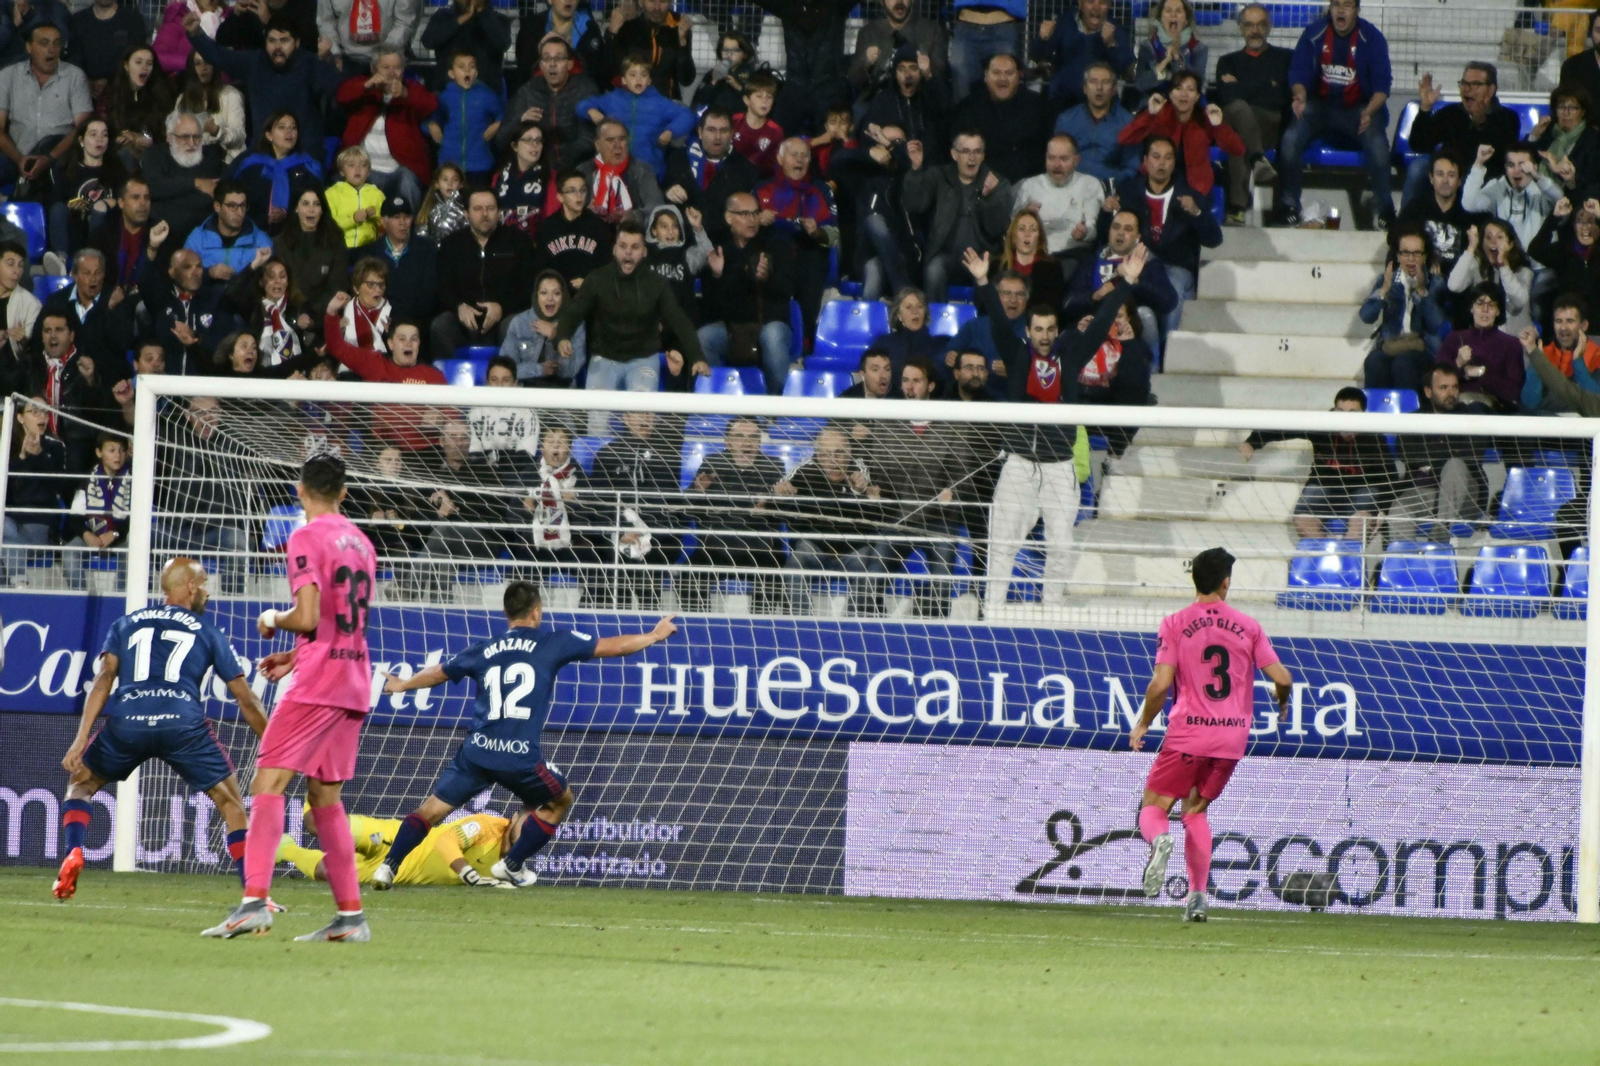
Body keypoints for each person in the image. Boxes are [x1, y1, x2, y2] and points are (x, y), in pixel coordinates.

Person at [373, 583, 678, 888]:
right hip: (519, 756)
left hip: (477, 752)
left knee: (430, 812)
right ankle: (511, 863)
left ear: (506, 613)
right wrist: (654, 635)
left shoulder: (482, 648)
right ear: (536, 611)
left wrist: (403, 685)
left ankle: (388, 867)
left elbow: (439, 672)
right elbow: (616, 646)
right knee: (559, 800)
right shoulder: (553, 642)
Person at [203, 455, 378, 942]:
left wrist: (272, 619)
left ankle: (254, 902)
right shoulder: (362, 542)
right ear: (343, 493)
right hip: (353, 678)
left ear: (301, 491)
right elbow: (341, 621)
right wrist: (294, 655)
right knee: (326, 798)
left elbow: (306, 615)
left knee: (268, 783)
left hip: (319, 683)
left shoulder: (305, 536)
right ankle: (351, 918)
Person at [53, 557, 269, 901]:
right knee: (232, 805)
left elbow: (104, 679)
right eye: (204, 583)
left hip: (128, 723)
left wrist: (80, 739)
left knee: (81, 785)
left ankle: (73, 852)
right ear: (190, 587)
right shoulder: (207, 630)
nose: (208, 592)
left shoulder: (126, 623)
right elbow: (245, 699)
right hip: (183, 726)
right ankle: (253, 895)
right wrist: (274, 745)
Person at [1129, 547, 1294, 924]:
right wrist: (1281, 702)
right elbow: (1282, 678)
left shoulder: (1174, 623)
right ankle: (1198, 897)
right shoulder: (1249, 626)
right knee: (1196, 811)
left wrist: (1143, 723)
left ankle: (1159, 841)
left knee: (1154, 808)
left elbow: (1161, 683)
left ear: (1195, 579)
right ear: (1226, 582)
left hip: (1189, 733)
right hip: (1231, 739)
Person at [987, 253, 1141, 610]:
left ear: (1058, 330)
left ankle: (1051, 611)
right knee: (1002, 543)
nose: (1044, 336)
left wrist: (1126, 282)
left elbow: (1103, 323)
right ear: (1027, 332)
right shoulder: (1016, 356)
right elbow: (996, 321)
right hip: (1019, 464)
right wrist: (983, 283)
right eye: (1037, 329)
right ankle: (992, 613)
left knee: (1060, 545)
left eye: (1050, 329)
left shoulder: (1070, 357)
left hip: (1060, 466)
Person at [554, 218, 705, 394]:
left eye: (635, 247)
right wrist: (563, 336)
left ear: (644, 252)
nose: (628, 252)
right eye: (623, 246)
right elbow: (573, 312)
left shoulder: (656, 283)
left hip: (644, 359)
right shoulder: (597, 279)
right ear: (614, 249)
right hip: (604, 358)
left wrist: (697, 357)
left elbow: (679, 320)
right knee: (596, 420)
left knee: (641, 420)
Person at [1278, 0, 1393, 229]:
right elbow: (1298, 74)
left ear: (1357, 11)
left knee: (1379, 146)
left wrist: (1369, 112)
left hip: (1359, 108)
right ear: (1330, 8)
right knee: (1290, 139)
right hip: (1319, 106)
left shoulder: (1372, 38)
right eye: (1336, 4)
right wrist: (1299, 96)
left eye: (1348, 5)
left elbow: (1382, 88)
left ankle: (1385, 209)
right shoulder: (1314, 33)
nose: (1341, 10)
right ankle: (1289, 203)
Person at [1102, 136, 1220, 338]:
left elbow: (1214, 239)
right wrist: (1106, 212)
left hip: (1177, 267)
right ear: (1146, 161)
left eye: (1168, 158)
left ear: (1174, 162)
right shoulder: (1128, 191)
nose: (1162, 163)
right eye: (1156, 157)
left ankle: (1169, 350)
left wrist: (1196, 213)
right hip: (1140, 263)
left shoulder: (1189, 196)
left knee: (1172, 287)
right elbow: (1110, 233)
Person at [1242, 387, 1393, 543]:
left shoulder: (1373, 435)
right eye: (1340, 412)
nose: (1344, 419)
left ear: (1363, 414)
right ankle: (1323, 557)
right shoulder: (1322, 425)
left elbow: (1390, 474)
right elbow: (1285, 427)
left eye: (1352, 413)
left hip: (1362, 488)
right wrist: (1252, 442)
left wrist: (1383, 509)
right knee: (1302, 521)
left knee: (1360, 524)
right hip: (1323, 485)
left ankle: (1346, 561)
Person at [773, 424, 893, 614]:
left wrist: (864, 494)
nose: (833, 461)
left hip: (853, 549)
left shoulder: (864, 471)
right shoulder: (804, 471)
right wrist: (780, 493)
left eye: (839, 453)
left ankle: (855, 626)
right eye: (825, 454)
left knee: (867, 567)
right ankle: (802, 624)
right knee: (794, 565)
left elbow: (885, 510)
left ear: (849, 452)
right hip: (815, 547)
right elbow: (780, 492)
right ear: (817, 455)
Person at [187, 10, 343, 148]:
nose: (277, 47)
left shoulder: (310, 63)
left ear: (297, 43)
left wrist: (326, 60)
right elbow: (219, 55)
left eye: (284, 40)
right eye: (272, 40)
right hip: (264, 153)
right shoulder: (255, 62)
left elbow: (331, 87)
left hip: (304, 154)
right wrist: (196, 33)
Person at [277, 806, 523, 886]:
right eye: (526, 822)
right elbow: (446, 842)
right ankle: (314, 774)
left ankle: (285, 847)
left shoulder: (514, 866)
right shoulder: (488, 826)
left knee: (328, 873)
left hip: (403, 874)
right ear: (514, 818)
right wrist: (468, 874)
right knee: (321, 827)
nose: (528, 831)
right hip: (396, 839)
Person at [696, 191, 793, 393]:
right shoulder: (717, 248)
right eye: (745, 214)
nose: (752, 220)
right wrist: (716, 275)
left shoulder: (774, 244)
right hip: (731, 328)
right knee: (704, 337)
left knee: (773, 336)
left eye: (755, 213)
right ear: (728, 217)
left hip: (767, 323)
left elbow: (787, 292)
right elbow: (711, 306)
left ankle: (778, 411)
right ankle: (718, 404)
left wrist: (767, 279)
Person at [324, 289, 446, 448]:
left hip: (424, 454)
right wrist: (332, 312)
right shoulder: (374, 363)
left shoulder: (434, 376)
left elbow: (454, 416)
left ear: (419, 344)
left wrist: (441, 417)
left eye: (414, 339)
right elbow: (336, 347)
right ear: (390, 344)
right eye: (402, 339)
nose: (408, 344)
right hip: (381, 450)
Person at [903, 129, 1013, 301]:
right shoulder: (938, 177)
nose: (972, 157)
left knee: (991, 278)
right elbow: (915, 206)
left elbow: (996, 230)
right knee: (934, 270)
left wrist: (989, 198)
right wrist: (916, 171)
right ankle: (935, 324)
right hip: (946, 256)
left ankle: (983, 325)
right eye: (966, 151)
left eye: (977, 151)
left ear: (983, 156)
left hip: (984, 258)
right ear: (954, 154)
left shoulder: (996, 182)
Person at [1389, 363, 1491, 541]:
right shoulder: (1412, 421)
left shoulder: (1471, 419)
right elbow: (1408, 454)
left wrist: (1430, 464)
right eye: (1443, 388)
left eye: (1454, 387)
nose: (1451, 393)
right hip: (1425, 493)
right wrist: (1447, 454)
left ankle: (1439, 535)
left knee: (1455, 465)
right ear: (1428, 392)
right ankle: (1404, 565)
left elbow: (1472, 456)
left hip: (1465, 495)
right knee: (1399, 509)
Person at [1403, 62, 1520, 213]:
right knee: (1418, 168)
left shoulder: (1508, 118)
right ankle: (1403, 226)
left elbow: (1501, 160)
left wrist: (1479, 121)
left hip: (1484, 178)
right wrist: (1425, 108)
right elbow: (1419, 144)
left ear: (1491, 90)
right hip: (1451, 173)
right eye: (1464, 83)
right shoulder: (1451, 113)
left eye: (1475, 84)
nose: (1467, 89)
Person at [1214, 4, 1291, 224]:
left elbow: (1281, 97)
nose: (1255, 30)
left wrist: (1242, 86)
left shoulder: (1285, 58)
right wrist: (1268, 85)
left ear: (1270, 27)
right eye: (1249, 25)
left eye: (1261, 24)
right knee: (1238, 108)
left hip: (1270, 124)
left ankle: (1236, 208)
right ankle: (1258, 159)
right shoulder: (1227, 61)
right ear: (1240, 28)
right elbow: (1225, 95)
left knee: (1239, 135)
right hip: (1235, 118)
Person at [432, 188, 533, 354]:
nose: (485, 214)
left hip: (505, 317)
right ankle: (445, 378)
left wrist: (502, 307)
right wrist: (459, 306)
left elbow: (529, 287)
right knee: (441, 325)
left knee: (514, 325)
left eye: (490, 208)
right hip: (464, 320)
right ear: (466, 214)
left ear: (499, 213)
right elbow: (442, 286)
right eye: (478, 209)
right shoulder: (451, 244)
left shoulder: (519, 241)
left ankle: (512, 378)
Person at [335, 44, 436, 209]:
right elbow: (342, 96)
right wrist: (368, 86)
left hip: (399, 170)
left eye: (397, 67)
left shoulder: (411, 89)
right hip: (365, 169)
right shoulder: (363, 86)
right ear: (374, 68)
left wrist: (404, 94)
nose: (391, 72)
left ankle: (407, 230)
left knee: (409, 181)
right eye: (386, 67)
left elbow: (430, 104)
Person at [689, 415, 785, 582]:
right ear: (727, 442)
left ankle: (762, 610)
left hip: (759, 547)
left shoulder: (774, 466)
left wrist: (771, 506)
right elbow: (687, 507)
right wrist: (697, 491)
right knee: (689, 575)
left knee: (776, 572)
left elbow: (785, 513)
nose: (747, 443)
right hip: (716, 546)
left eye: (753, 437)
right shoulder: (713, 463)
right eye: (740, 437)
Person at [1119, 70, 1245, 198]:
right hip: (1157, 183)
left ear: (1197, 96)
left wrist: (1218, 126)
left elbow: (1238, 149)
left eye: (1190, 89)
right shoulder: (1158, 114)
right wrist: (1150, 114)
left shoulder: (1205, 117)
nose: (1184, 94)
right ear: (1170, 94)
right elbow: (1124, 138)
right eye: (1178, 88)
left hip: (1195, 189)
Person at [757, 137, 835, 340]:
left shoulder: (821, 191)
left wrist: (817, 232)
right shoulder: (762, 190)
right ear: (780, 159)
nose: (799, 160)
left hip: (809, 257)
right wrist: (757, 219)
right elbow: (741, 226)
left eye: (804, 156)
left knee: (812, 261)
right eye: (794, 155)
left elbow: (834, 235)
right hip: (773, 257)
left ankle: (805, 343)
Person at [577, 52, 695, 185]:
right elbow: (581, 105)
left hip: (650, 172)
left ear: (649, 80)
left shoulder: (660, 103)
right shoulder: (612, 99)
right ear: (623, 80)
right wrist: (591, 111)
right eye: (632, 75)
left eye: (643, 75)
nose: (638, 79)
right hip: (615, 171)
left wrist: (670, 131)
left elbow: (688, 116)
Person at [0, 24, 91, 192]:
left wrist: (49, 158)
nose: (51, 49)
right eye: (44, 43)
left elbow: (83, 128)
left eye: (56, 43)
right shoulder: (8, 76)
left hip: (59, 158)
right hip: (16, 156)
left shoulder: (75, 76)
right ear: (29, 47)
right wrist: (20, 159)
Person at [1360, 226, 1446, 390]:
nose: (1411, 259)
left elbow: (1435, 324)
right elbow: (1366, 316)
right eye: (1405, 253)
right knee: (1374, 361)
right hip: (1391, 344)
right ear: (1398, 256)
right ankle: (1374, 413)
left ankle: (1409, 414)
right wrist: (1384, 291)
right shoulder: (1387, 280)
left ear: (1425, 256)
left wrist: (1422, 291)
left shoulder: (1435, 283)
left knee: (1403, 363)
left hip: (1423, 347)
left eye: (1417, 253)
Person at [950, 53, 1053, 186]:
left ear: (1018, 76)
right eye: (996, 73)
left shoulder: (1039, 106)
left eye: (1009, 73)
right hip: (982, 186)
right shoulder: (967, 108)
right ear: (986, 76)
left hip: (1030, 185)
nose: (1002, 78)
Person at [751, 0, 853, 135]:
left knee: (830, 144)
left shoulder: (835, 5)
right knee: (777, 137)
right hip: (795, 86)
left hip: (828, 89)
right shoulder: (788, 5)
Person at [138, 235, 237, 373]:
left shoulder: (214, 301)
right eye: (187, 267)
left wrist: (196, 338)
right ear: (172, 272)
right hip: (167, 387)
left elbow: (225, 344)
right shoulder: (162, 301)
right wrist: (153, 247)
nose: (195, 272)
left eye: (199, 267)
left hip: (201, 388)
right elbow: (143, 279)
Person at [663, 107, 759, 246]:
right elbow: (663, 191)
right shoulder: (678, 159)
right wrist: (669, 191)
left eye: (724, 130)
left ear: (732, 133)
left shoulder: (746, 170)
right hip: (682, 244)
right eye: (711, 130)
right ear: (700, 132)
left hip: (726, 247)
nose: (718, 136)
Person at [1396, 150, 1480, 305]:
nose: (1445, 180)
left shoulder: (1468, 214)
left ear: (1460, 181)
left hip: (1453, 284)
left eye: (1451, 175)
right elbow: (1394, 237)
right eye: (1440, 174)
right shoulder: (1417, 206)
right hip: (1419, 274)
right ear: (1431, 178)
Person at [498, 34, 596, 166]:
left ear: (570, 64)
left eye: (559, 58)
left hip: (576, 167)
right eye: (547, 58)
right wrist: (520, 121)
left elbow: (590, 139)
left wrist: (563, 161)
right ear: (541, 65)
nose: (552, 64)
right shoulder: (527, 92)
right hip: (537, 167)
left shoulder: (585, 90)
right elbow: (501, 141)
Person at [1013, 134, 1103, 270]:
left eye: (1063, 159)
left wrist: (1084, 232)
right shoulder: (1030, 186)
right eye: (1051, 158)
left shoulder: (1089, 184)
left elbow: (1092, 228)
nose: (1057, 165)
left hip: (1072, 256)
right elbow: (1012, 228)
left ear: (1076, 160)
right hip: (1034, 256)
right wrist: (1025, 215)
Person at [1, 397, 65, 587]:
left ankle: (17, 584)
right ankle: (19, 584)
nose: (42, 417)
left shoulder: (55, 447)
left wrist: (40, 458)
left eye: (45, 412)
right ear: (20, 417)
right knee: (6, 530)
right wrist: (21, 458)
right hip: (10, 520)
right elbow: (4, 491)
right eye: (35, 411)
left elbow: (60, 487)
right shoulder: (6, 446)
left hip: (39, 521)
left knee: (7, 542)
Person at [1461, 142, 1562, 257]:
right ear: (1505, 168)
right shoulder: (1497, 187)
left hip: (1541, 265)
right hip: (1508, 263)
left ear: (1534, 167)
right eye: (1511, 165)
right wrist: (1479, 164)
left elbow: (1559, 198)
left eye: (1522, 165)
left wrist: (1536, 175)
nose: (1516, 170)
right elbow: (1469, 204)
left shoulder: (1543, 188)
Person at [1436, 282, 1524, 411]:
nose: (1485, 309)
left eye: (1491, 304)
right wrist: (1458, 364)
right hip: (1456, 405)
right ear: (1472, 307)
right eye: (1480, 303)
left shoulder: (1511, 344)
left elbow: (1513, 392)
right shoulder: (1454, 339)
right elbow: (1436, 380)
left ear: (1498, 311)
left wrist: (1482, 373)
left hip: (1493, 409)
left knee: (1476, 408)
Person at [232, 111, 325, 232]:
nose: (289, 132)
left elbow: (318, 204)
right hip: (253, 233)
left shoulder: (307, 167)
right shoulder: (251, 165)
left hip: (295, 234)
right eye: (282, 127)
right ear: (269, 135)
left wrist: (286, 212)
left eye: (293, 127)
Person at [144, 111, 227, 245]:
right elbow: (153, 188)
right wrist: (195, 183)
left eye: (196, 137)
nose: (192, 143)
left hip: (204, 235)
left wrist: (170, 193)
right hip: (164, 235)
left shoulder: (210, 157)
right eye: (184, 137)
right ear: (169, 137)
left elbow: (207, 200)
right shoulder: (155, 155)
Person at [1035, 0, 1135, 110]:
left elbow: (1126, 68)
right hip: (1062, 102)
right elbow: (1037, 56)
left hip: (1100, 107)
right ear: (1080, 3)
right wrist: (1043, 39)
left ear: (1109, 5)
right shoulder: (1064, 23)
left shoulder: (1116, 30)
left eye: (1102, 3)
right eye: (1090, 1)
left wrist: (1111, 44)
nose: (1096, 7)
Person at [48, 118, 125, 259]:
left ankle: (94, 260)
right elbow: (56, 200)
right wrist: (71, 205)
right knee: (58, 209)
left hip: (105, 229)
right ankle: (60, 260)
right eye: (93, 134)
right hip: (75, 228)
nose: (100, 139)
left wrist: (111, 202)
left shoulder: (117, 167)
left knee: (99, 210)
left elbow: (125, 198)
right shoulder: (67, 168)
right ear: (81, 141)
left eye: (104, 135)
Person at [861, 45, 949, 164]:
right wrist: (872, 148)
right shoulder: (884, 99)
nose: (908, 75)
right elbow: (865, 135)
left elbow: (946, 109)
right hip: (894, 165)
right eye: (901, 69)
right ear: (895, 73)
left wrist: (929, 75)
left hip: (929, 167)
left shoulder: (930, 95)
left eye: (913, 68)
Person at [1446, 219, 1534, 335]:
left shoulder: (1523, 271)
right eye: (1488, 237)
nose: (1493, 242)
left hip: (1516, 339)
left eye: (1499, 237)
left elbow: (1519, 300)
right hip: (1483, 340)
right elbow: (1454, 285)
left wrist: (1503, 265)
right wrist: (1471, 248)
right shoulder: (1476, 265)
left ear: (1511, 244)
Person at [355, 193, 432, 324]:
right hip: (379, 321)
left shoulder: (427, 249)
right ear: (383, 222)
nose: (402, 223)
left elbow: (429, 294)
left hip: (417, 322)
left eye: (406, 217)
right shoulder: (370, 253)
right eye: (396, 217)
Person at [1055, 62, 1137, 184]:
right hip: (1071, 186)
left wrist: (1110, 182)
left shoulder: (1128, 122)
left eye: (1105, 82)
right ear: (1085, 88)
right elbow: (1056, 161)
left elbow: (1131, 168)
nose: (1099, 87)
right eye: (1093, 81)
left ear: (1114, 89)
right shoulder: (1066, 119)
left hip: (1110, 188)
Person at [276, 188, 351, 322]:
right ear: (296, 208)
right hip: (289, 313)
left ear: (322, 210)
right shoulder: (281, 242)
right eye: (305, 204)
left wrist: (311, 314)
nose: (311, 209)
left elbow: (338, 284)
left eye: (316, 204)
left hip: (325, 313)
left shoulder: (335, 240)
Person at [500, 268, 585, 386]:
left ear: (564, 297)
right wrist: (539, 370)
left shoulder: (576, 325)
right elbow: (506, 371)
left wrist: (555, 337)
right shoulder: (519, 323)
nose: (550, 298)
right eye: (544, 293)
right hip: (525, 391)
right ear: (536, 296)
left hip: (562, 393)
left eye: (556, 293)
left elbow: (570, 372)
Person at [848, 0, 946, 101]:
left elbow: (940, 78)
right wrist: (866, 61)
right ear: (882, 2)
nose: (899, 1)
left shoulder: (932, 31)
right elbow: (853, 80)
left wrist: (927, 72)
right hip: (875, 103)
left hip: (920, 103)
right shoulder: (868, 33)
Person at [428, 51, 500, 185]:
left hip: (480, 164)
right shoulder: (444, 97)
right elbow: (434, 116)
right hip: (449, 163)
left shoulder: (487, 95)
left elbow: (504, 114)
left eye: (471, 66)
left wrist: (498, 124)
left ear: (476, 72)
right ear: (451, 73)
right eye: (461, 66)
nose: (467, 70)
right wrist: (432, 124)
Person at [1520, 294, 1600, 414]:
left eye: (1570, 321)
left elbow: (1596, 404)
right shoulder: (1543, 353)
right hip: (1547, 421)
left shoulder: (1596, 354)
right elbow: (1530, 404)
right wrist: (1536, 365)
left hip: (1583, 425)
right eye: (1558, 321)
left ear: (1584, 325)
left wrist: (1578, 362)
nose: (1563, 327)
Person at [578, 118, 664, 225]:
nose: (617, 145)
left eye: (622, 139)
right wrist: (586, 213)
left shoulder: (642, 170)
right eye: (610, 140)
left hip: (633, 233)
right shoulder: (582, 172)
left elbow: (656, 207)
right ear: (597, 145)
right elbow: (570, 209)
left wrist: (634, 216)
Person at [513, 0, 608, 96]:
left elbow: (598, 74)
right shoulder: (532, 27)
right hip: (539, 100)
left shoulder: (590, 28)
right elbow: (523, 72)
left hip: (579, 100)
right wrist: (538, 52)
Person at [183, 179, 275, 277]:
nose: (240, 213)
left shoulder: (262, 242)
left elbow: (269, 281)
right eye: (232, 206)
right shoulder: (197, 239)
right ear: (217, 206)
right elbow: (184, 276)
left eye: (243, 206)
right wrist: (208, 273)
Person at [533, 168, 609, 286]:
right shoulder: (547, 228)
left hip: (591, 293)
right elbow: (541, 270)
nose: (579, 196)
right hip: (558, 295)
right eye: (572, 191)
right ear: (560, 197)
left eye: (582, 190)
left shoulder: (598, 226)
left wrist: (589, 283)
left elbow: (606, 267)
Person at [171, 49, 247, 164]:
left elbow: (239, 137)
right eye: (197, 63)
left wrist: (216, 131)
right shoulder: (183, 99)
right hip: (194, 162)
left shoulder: (230, 94)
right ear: (191, 69)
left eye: (208, 62)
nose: (203, 67)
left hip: (226, 162)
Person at [104, 45, 174, 168]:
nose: (144, 67)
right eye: (138, 62)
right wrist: (120, 137)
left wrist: (146, 139)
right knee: (125, 153)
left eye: (149, 63)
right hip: (119, 150)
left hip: (154, 151)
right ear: (126, 66)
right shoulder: (111, 93)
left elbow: (166, 131)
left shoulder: (162, 93)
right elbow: (103, 126)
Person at [610, 0, 695, 100]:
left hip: (667, 104)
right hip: (632, 103)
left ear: (670, 2)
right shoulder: (628, 28)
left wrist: (683, 46)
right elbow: (610, 73)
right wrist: (612, 35)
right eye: (651, 1)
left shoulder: (678, 27)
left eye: (663, 2)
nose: (657, 8)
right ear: (641, 2)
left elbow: (686, 79)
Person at [420, 0, 510, 94]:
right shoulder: (442, 16)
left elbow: (503, 43)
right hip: (446, 97)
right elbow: (428, 41)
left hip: (485, 98)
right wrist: (460, 20)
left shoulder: (499, 19)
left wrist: (481, 11)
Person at [68, 0, 148, 96]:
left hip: (124, 94)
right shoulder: (78, 21)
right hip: (84, 95)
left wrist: (113, 84)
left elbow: (138, 61)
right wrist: (87, 84)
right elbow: (74, 61)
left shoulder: (133, 20)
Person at [1134, 0, 1207, 104]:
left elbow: (1196, 86)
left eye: (1178, 11)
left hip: (1187, 104)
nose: (1173, 14)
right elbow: (1141, 84)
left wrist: (1177, 58)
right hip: (1154, 104)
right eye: (1168, 10)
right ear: (1160, 18)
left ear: (1186, 19)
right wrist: (1165, 62)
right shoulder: (1147, 47)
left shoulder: (1199, 49)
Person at [317, 0, 417, 76]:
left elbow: (404, 22)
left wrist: (384, 55)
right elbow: (326, 21)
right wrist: (335, 53)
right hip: (344, 60)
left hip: (386, 63)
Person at [1532, 85, 1600, 196]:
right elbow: (1526, 159)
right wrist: (1534, 136)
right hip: (1539, 195)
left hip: (1575, 199)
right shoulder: (1549, 132)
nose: (1566, 113)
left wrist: (1562, 171)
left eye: (1572, 108)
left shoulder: (1593, 139)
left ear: (1582, 112)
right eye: (1561, 107)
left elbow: (1591, 180)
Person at [491, 121, 553, 238]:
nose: (535, 145)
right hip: (502, 241)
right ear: (515, 146)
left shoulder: (551, 177)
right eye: (528, 140)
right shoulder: (499, 177)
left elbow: (551, 219)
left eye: (538, 140)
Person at [999, 208, 1065, 312]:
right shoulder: (998, 266)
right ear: (1013, 236)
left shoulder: (1052, 268)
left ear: (1039, 238)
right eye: (1021, 229)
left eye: (1033, 229)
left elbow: (1053, 308)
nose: (1027, 234)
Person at [693, 30, 762, 116]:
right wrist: (713, 82)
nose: (729, 54)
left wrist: (739, 88)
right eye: (725, 50)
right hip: (717, 122)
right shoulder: (711, 74)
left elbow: (759, 104)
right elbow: (699, 101)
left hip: (743, 122)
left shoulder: (753, 75)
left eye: (735, 50)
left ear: (745, 54)